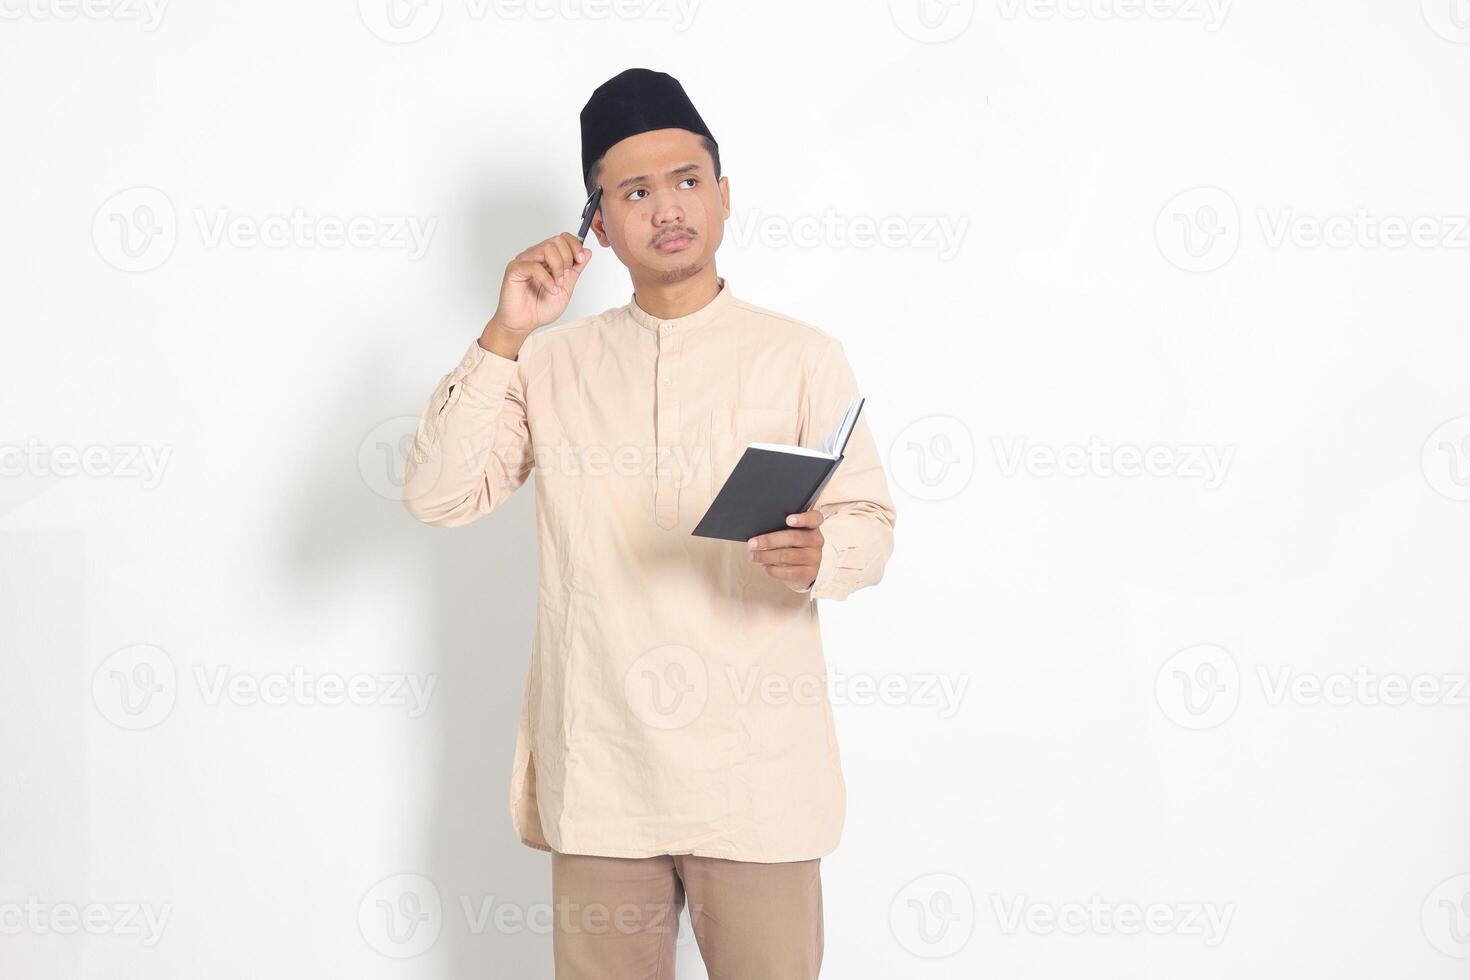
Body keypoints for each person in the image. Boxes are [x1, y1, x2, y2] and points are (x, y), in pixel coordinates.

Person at [402, 67, 897, 980]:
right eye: (634, 191)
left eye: (687, 181)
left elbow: (868, 519)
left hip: (757, 784)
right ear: (596, 220)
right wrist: (505, 335)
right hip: (606, 775)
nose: (668, 208)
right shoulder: (553, 363)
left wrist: (826, 550)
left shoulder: (800, 356)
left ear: (723, 195)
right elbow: (439, 494)